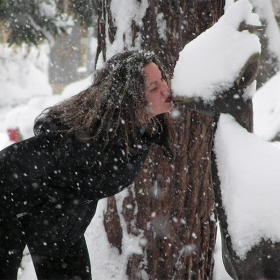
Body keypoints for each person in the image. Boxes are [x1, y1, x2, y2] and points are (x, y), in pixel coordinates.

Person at [0, 49, 174, 279]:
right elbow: (38, 165)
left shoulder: (133, 130)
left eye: (162, 78)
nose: (165, 89)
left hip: (58, 219)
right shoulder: (94, 142)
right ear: (129, 101)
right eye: (153, 87)